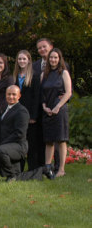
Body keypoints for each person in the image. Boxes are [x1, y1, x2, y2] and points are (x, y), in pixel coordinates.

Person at [41, 48, 72, 178]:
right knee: (48, 140)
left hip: (59, 110)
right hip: (47, 111)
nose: (53, 60)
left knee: (61, 140)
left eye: (55, 57)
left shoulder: (64, 73)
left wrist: (58, 107)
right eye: (51, 58)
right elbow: (41, 94)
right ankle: (48, 168)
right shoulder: (44, 74)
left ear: (59, 59)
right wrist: (44, 107)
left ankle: (61, 169)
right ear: (48, 60)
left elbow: (69, 92)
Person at [13, 50, 43, 170]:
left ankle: (33, 168)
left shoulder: (34, 76)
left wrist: (33, 116)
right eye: (20, 59)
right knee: (19, 140)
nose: (22, 61)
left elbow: (37, 97)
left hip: (30, 114)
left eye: (24, 59)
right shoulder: (15, 76)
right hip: (17, 113)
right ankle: (18, 167)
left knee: (31, 142)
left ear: (29, 60)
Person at [0, 86, 29, 181]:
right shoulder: (6, 108)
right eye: (9, 94)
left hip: (18, 145)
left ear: (19, 96)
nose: (11, 96)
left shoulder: (22, 111)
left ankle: (11, 175)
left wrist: (3, 143)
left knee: (0, 150)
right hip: (7, 143)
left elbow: (19, 133)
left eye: (14, 94)